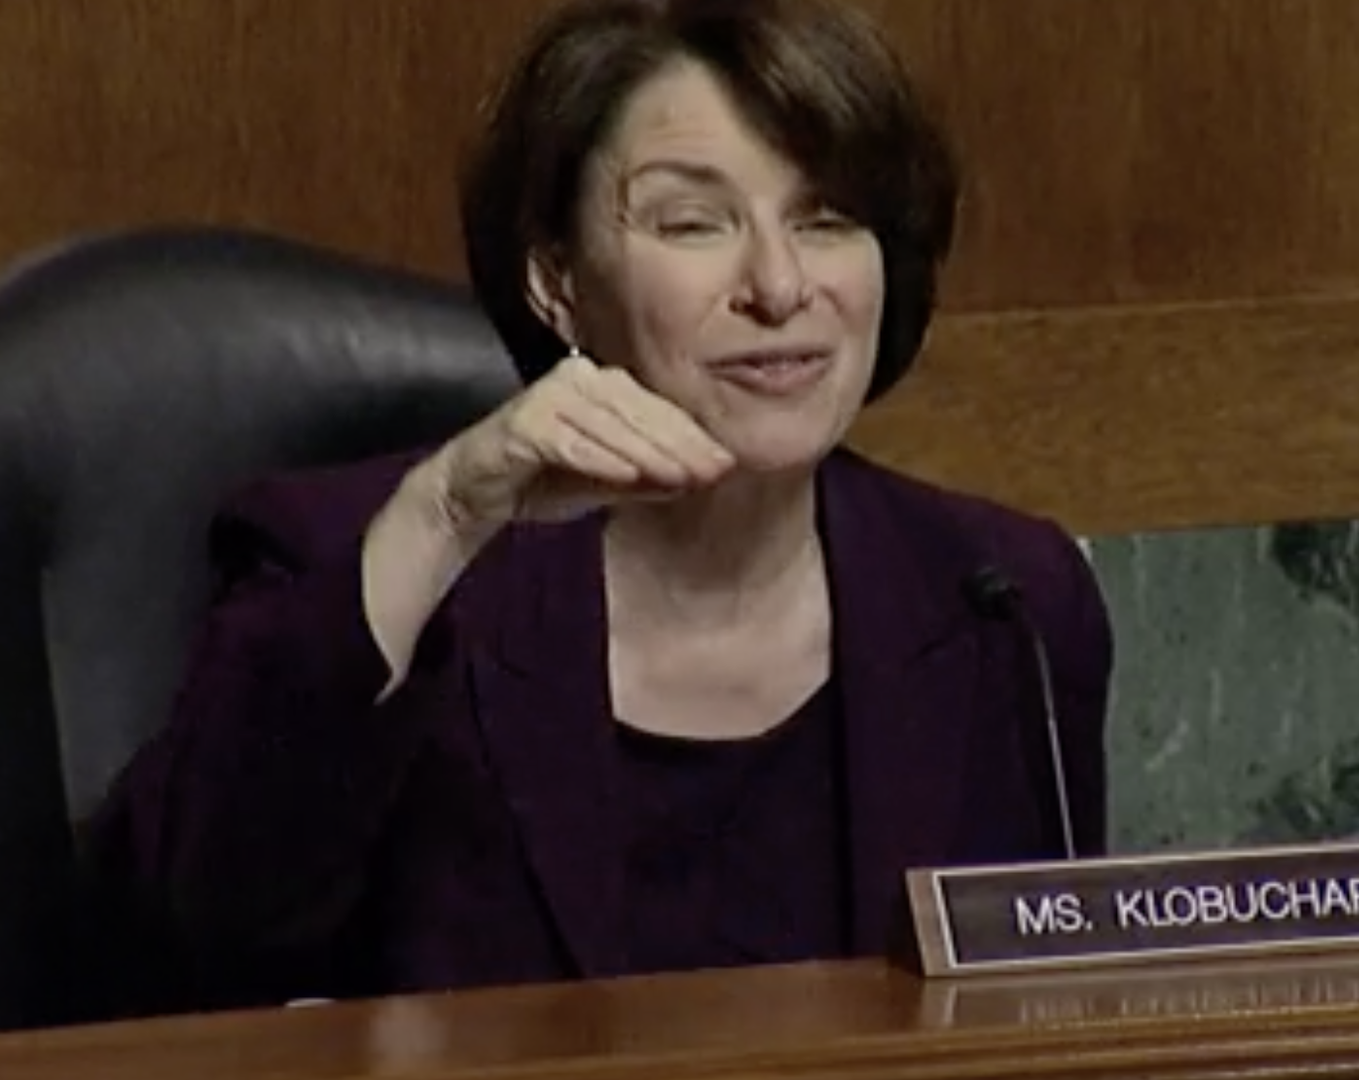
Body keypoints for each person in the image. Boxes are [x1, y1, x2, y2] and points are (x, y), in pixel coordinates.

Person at [84, 0, 1111, 1014]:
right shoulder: (373, 568)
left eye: (827, 217)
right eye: (694, 222)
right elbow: (175, 942)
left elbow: (1046, 1017)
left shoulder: (1005, 601)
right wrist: (440, 517)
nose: (779, 284)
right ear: (557, 281)